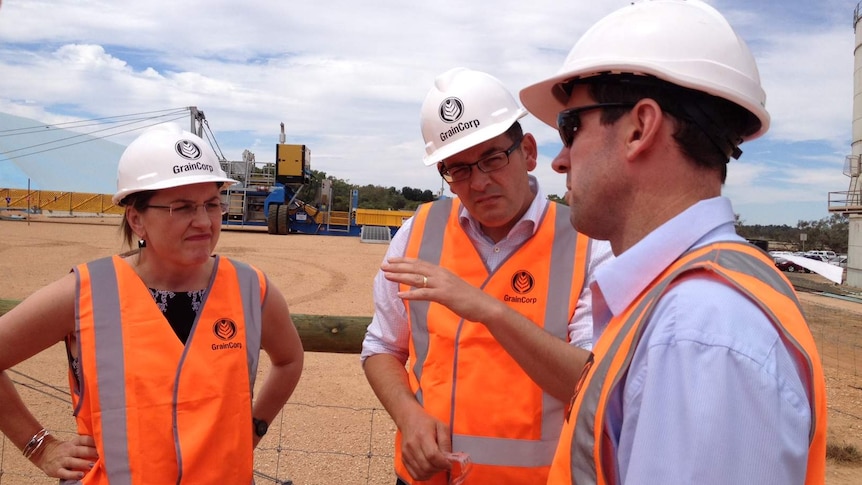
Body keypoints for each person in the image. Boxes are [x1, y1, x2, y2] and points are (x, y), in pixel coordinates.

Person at [517, 1, 827, 484]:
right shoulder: (687, 303)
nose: (560, 161)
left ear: (640, 128)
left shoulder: (698, 333)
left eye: (570, 126)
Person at [0, 123, 304, 484]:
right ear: (137, 219)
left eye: (211, 204)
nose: (204, 221)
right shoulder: (86, 292)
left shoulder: (251, 288)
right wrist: (39, 445)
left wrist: (253, 428)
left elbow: (289, 359)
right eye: (183, 208)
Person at [361, 67, 613, 484]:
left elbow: (592, 383)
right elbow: (382, 347)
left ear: (528, 151)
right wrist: (409, 417)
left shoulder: (588, 245)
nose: (478, 183)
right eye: (458, 169)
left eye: (493, 158)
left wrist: (489, 311)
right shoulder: (417, 232)